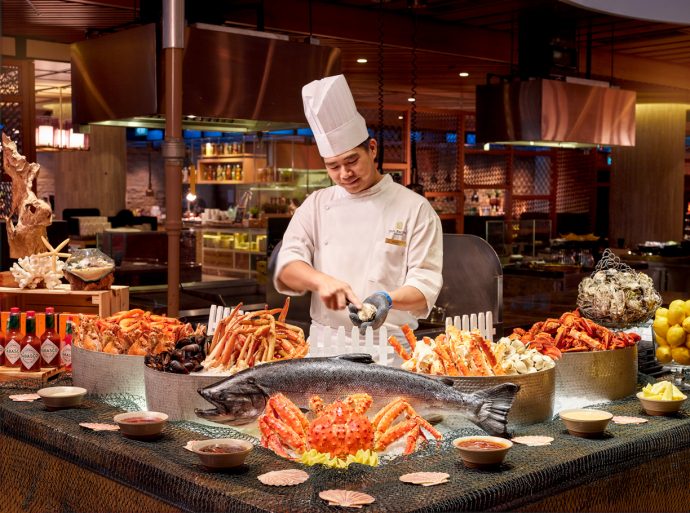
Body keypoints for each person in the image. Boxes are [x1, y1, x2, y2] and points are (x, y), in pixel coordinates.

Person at [273, 74, 443, 340]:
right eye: (333, 166)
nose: (344, 174)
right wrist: (321, 281)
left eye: (352, 161)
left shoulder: (415, 209)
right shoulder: (317, 204)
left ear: (372, 149)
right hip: (325, 346)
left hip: (390, 347)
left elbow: (425, 287)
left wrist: (387, 299)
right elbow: (287, 267)